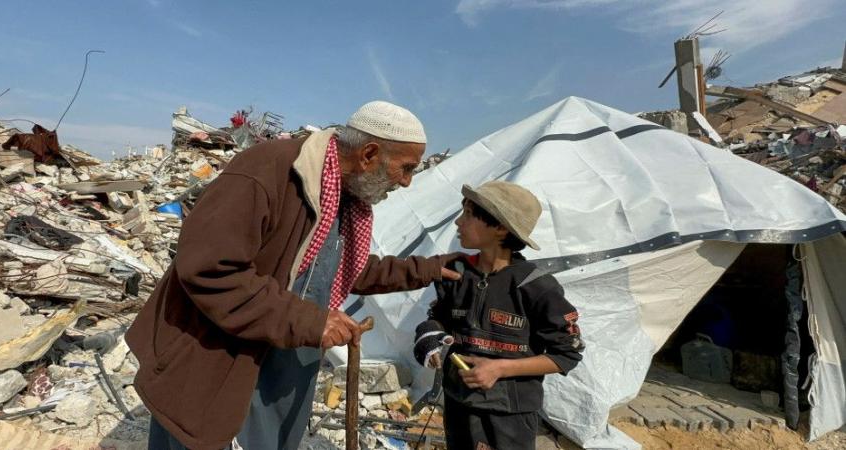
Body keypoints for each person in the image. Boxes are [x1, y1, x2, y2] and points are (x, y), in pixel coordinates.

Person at [126, 101, 460, 450]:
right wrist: (310, 321)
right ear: (369, 154)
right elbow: (210, 267)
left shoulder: (344, 193)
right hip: (219, 358)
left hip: (278, 368)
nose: (407, 183)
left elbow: (341, 268)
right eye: (405, 169)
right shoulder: (270, 170)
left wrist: (430, 269)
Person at [413, 181, 585, 450]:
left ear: (500, 227)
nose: (458, 222)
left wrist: (500, 368)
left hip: (508, 416)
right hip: (458, 402)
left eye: (469, 214)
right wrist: (428, 332)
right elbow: (439, 319)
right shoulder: (455, 272)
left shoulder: (536, 286)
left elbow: (567, 355)